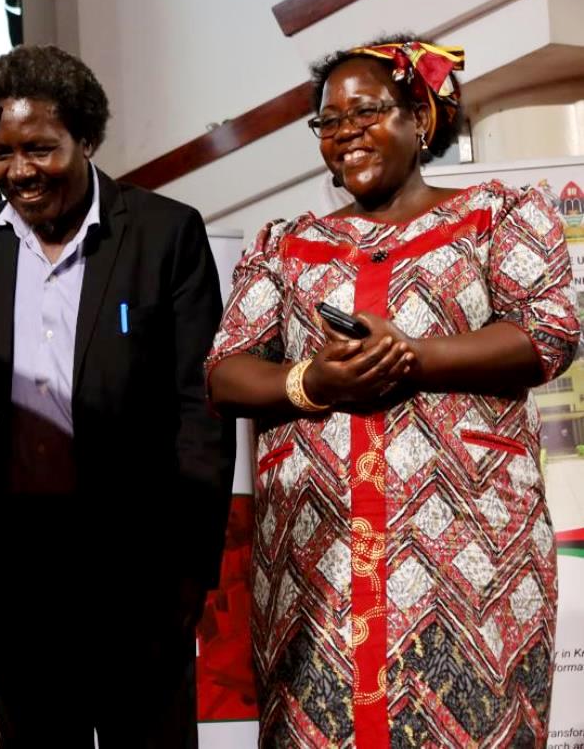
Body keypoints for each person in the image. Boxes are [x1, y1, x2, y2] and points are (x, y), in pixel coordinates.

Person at [206, 36, 577, 746]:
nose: (346, 135)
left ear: (418, 114)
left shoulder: (497, 214)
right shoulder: (285, 243)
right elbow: (226, 373)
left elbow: (547, 333)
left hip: (471, 565)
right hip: (317, 572)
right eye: (329, 122)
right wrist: (310, 379)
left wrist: (413, 356)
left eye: (366, 111)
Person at [0, 44, 236, 747]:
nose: (19, 171)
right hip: (10, 572)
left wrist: (192, 564)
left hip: (138, 571)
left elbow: (202, 412)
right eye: (1, 152)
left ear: (86, 139)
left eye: (40, 148)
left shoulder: (164, 233)